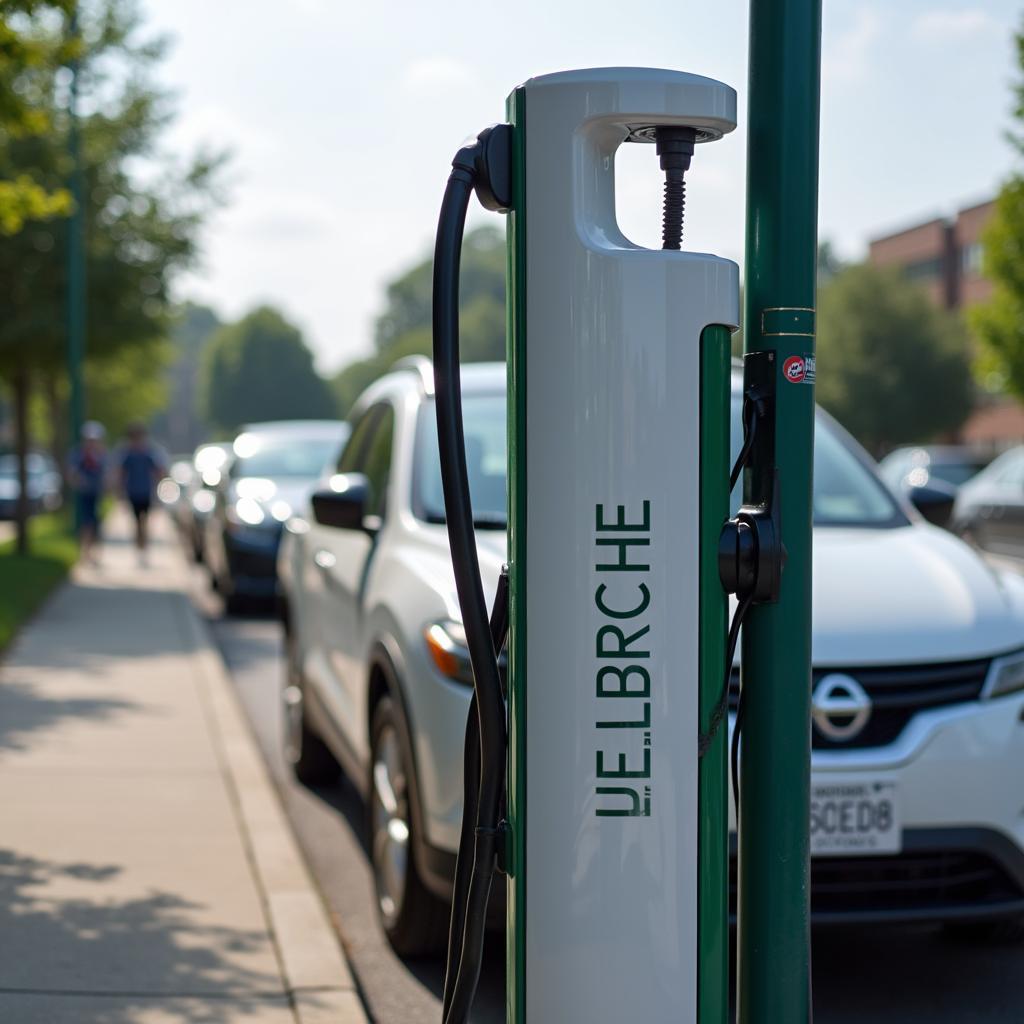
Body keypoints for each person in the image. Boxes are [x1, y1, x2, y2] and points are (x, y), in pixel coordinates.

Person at [117, 422, 165, 563]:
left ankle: (144, 545)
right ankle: (139, 545)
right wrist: (119, 489)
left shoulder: (148, 453)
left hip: (146, 492)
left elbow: (158, 470)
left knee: (145, 520)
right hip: (133, 492)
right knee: (137, 521)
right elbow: (121, 472)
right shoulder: (128, 454)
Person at [68, 421, 107, 565]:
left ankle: (95, 553)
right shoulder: (78, 455)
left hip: (97, 493)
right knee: (86, 523)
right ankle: (85, 552)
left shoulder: (101, 455)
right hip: (84, 494)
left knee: (96, 523)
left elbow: (107, 473)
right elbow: (72, 473)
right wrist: (78, 481)